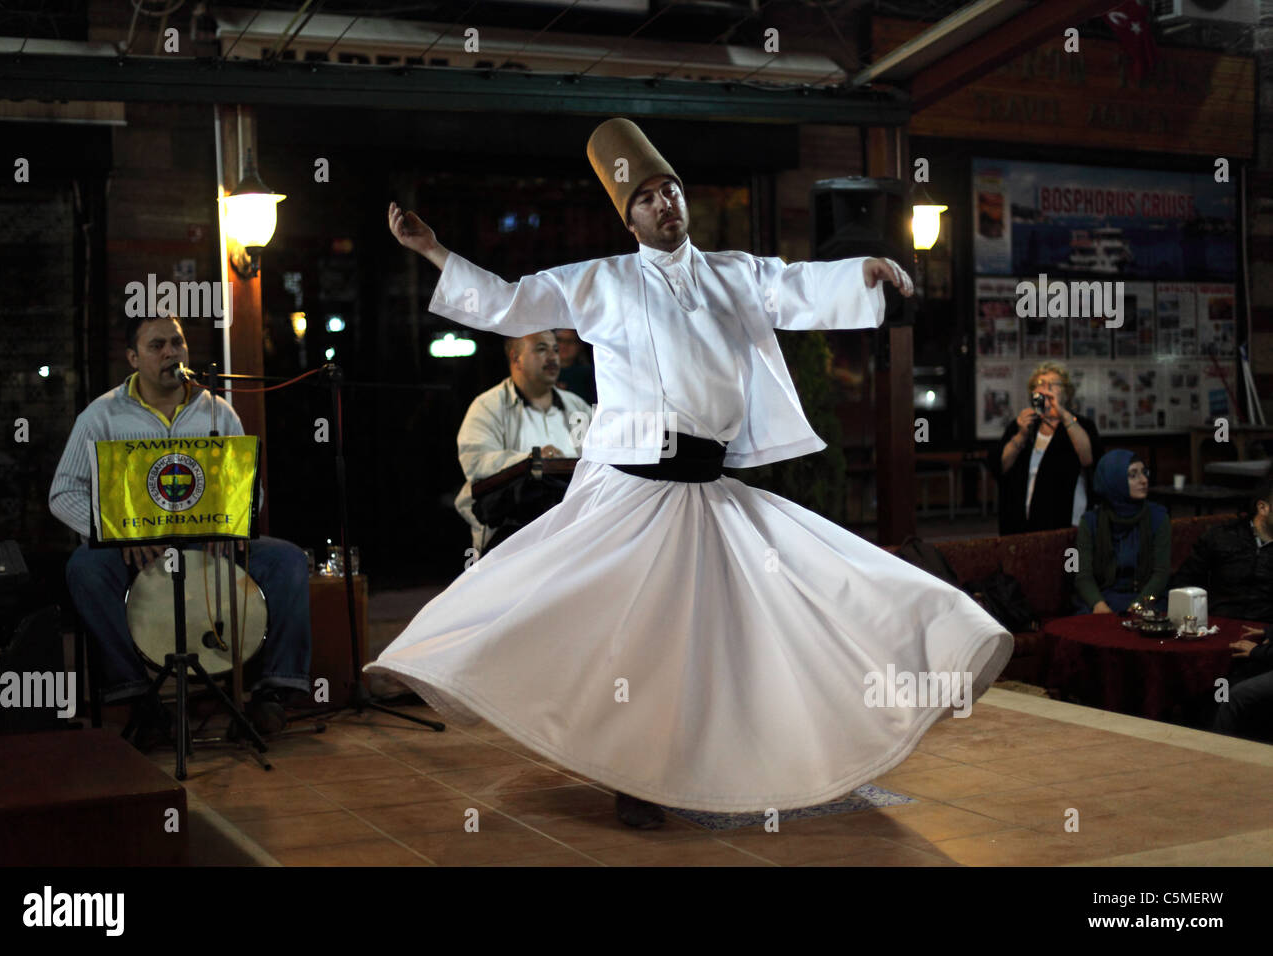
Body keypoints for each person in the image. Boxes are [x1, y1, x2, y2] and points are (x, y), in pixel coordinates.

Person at [370, 118, 1011, 829]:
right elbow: (508, 302)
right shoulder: (601, 281)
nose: (663, 204)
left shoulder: (734, 273)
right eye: (645, 198)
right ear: (630, 216)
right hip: (632, 492)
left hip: (707, 492)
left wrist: (861, 272)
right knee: (618, 634)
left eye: (669, 190)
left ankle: (780, 731)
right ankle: (636, 776)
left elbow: (795, 286)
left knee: (802, 599)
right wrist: (433, 250)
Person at [49, 312, 312, 736]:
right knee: (84, 567)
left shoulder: (217, 412)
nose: (171, 352)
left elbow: (249, 489)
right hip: (138, 550)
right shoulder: (100, 417)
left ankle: (273, 693)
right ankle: (139, 698)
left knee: (287, 561)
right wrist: (117, 534)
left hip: (207, 545)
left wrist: (230, 528)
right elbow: (63, 494)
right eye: (157, 346)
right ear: (133, 358)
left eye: (177, 343)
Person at [454, 331, 593, 555]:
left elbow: (597, 460)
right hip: (511, 535)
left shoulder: (576, 406)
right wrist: (532, 460)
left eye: (555, 350)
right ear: (515, 357)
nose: (552, 357)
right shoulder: (489, 406)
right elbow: (476, 462)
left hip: (572, 531)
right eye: (541, 349)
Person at [988, 362, 1102, 535]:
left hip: (1066, 519)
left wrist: (1063, 414)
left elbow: (1088, 459)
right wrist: (1021, 435)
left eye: (1053, 384)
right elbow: (1001, 466)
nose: (1045, 388)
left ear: (1066, 392)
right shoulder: (1023, 424)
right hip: (1022, 522)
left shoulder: (1081, 425)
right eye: (1039, 384)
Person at [1072, 450, 1170, 614]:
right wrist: (1098, 605)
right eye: (1133, 475)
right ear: (1114, 480)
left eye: (1144, 473)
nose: (1144, 480)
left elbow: (1160, 575)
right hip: (1104, 599)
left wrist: (1138, 606)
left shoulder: (1158, 517)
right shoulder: (1090, 521)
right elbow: (1082, 576)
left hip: (1147, 599)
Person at [1172, 479, 1273, 622]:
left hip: (1265, 633)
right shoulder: (1221, 537)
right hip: (1218, 625)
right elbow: (1184, 582)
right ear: (1263, 508)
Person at [554, 328, 596, 404]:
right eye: (559, 340)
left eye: (570, 341)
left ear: (580, 345)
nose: (564, 345)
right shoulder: (537, 372)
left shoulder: (591, 375)